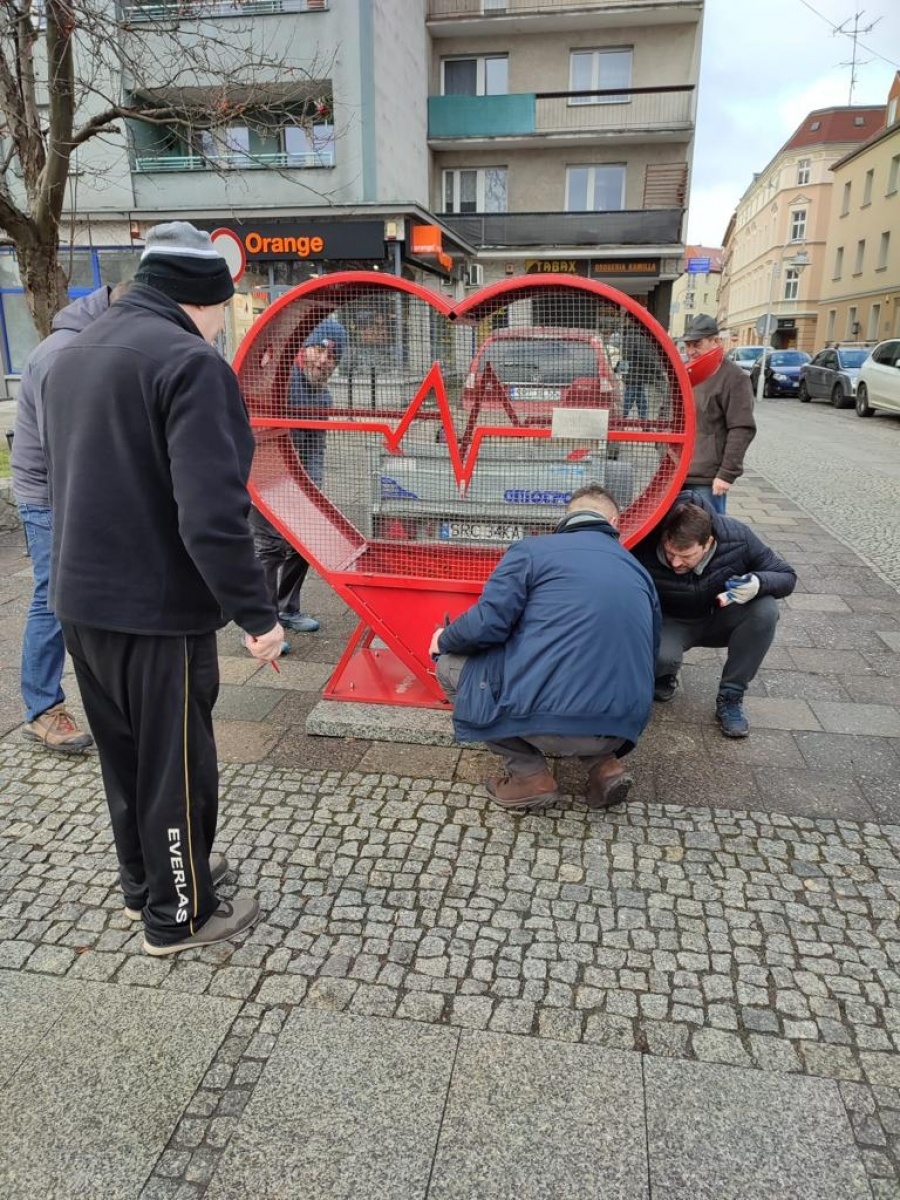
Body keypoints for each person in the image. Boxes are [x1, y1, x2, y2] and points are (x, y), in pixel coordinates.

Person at [42, 221, 284, 956]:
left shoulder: (71, 354)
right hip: (155, 610)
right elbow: (213, 516)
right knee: (177, 769)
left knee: (125, 762)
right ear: (204, 300)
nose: (222, 322)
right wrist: (257, 613)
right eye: (224, 307)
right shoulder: (190, 363)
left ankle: (148, 886)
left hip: (81, 601)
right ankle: (178, 917)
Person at [430, 485, 660, 812]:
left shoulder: (532, 551)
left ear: (566, 518)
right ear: (613, 522)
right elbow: (650, 653)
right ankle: (604, 765)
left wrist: (444, 638)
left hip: (549, 719)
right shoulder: (639, 571)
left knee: (449, 666)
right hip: (622, 725)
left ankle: (530, 776)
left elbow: (489, 624)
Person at [11, 287, 131, 753]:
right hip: (50, 496)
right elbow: (66, 443)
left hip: (76, 491)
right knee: (53, 597)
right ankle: (42, 708)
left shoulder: (93, 344)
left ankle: (111, 692)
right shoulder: (62, 354)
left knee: (91, 593)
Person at [632, 492, 796, 738]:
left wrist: (759, 582)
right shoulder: (647, 539)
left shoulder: (738, 536)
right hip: (671, 620)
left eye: (686, 556)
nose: (676, 563)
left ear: (708, 542)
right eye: (670, 553)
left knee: (765, 610)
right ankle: (664, 675)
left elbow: (786, 575)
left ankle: (731, 696)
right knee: (660, 659)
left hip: (721, 615)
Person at [249, 316, 347, 637]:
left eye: (333, 356)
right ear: (304, 349)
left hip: (296, 482)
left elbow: (317, 448)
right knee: (270, 547)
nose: (324, 360)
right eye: (320, 349)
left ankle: (287, 607)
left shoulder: (323, 397)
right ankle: (261, 623)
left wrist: (314, 489)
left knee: (305, 545)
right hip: (264, 476)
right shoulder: (283, 383)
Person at [682, 314, 756, 513]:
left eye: (696, 344)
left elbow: (741, 428)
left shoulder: (734, 377)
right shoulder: (686, 373)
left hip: (706, 478)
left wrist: (726, 474)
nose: (690, 351)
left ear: (716, 341)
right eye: (687, 345)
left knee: (707, 532)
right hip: (679, 472)